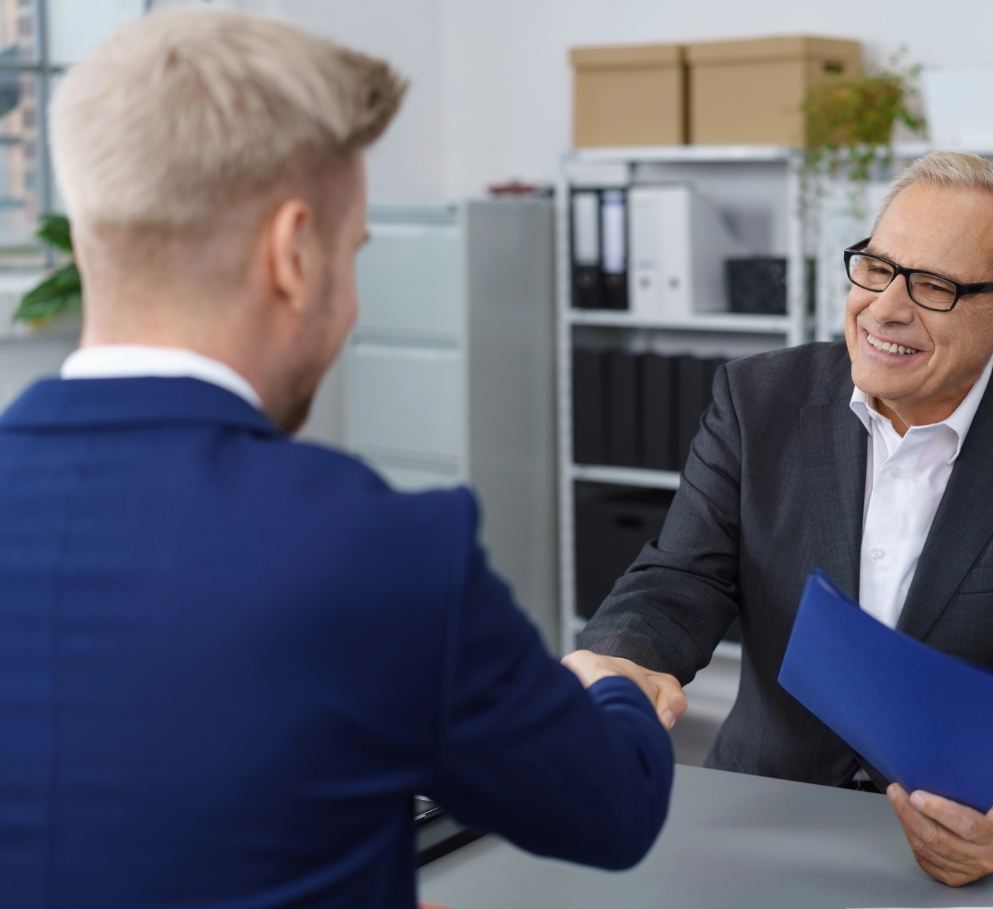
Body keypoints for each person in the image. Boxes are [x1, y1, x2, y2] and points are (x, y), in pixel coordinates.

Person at [0, 9, 682, 909]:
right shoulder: (375, 546)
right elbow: (611, 810)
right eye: (354, 251)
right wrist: (610, 689)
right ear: (292, 252)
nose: (354, 299)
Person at [580, 151, 993, 887]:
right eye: (875, 267)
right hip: (767, 816)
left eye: (934, 286)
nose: (885, 306)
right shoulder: (757, 401)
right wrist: (626, 656)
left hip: (965, 850)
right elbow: (679, 576)